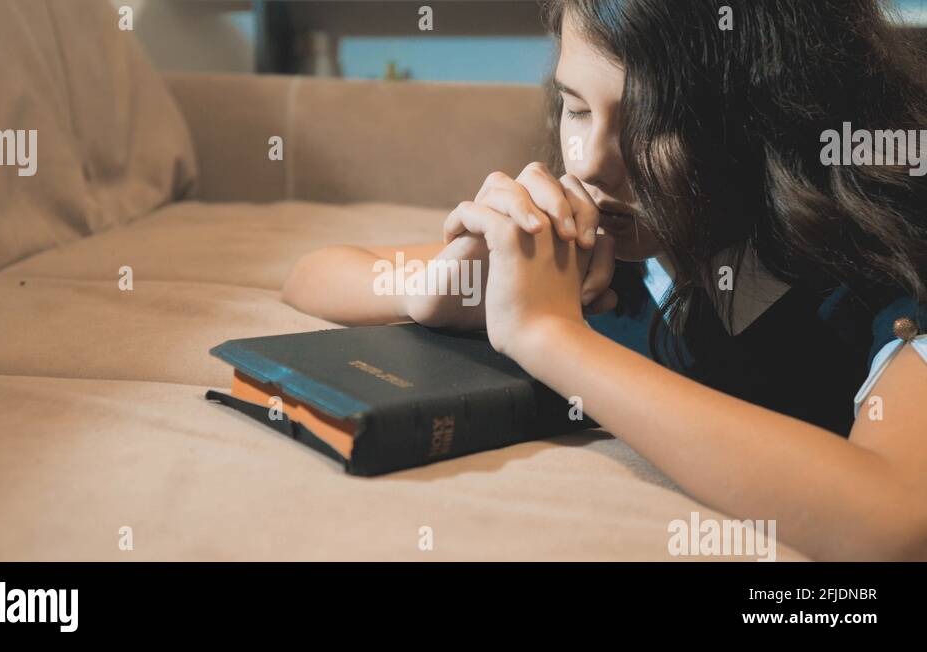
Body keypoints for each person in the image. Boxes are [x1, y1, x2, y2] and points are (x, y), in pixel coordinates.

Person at [282, 0, 927, 560]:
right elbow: (311, 275)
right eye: (575, 108)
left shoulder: (880, 266)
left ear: (770, 113)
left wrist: (550, 337)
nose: (588, 161)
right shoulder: (582, 247)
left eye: (649, 122)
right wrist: (426, 288)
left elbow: (894, 527)